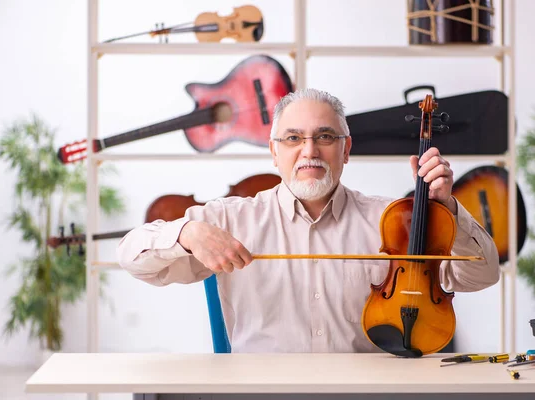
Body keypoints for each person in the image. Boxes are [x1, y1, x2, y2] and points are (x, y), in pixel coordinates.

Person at [117, 88, 500, 353]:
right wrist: (186, 232)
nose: (309, 151)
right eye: (293, 138)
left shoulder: (394, 219)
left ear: (346, 149)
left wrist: (446, 207)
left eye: (325, 137)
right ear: (273, 152)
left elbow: (481, 275)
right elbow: (132, 258)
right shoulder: (232, 217)